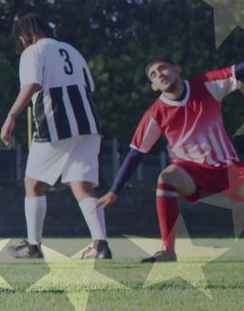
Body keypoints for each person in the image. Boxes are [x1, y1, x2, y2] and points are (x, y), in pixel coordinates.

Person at [97, 58, 244, 262]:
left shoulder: (205, 85)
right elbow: (135, 153)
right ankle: (168, 251)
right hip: (191, 173)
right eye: (154, 75)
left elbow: (238, 71)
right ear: (154, 86)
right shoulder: (156, 113)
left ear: (177, 69)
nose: (160, 74)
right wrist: (114, 191)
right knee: (166, 177)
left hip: (229, 169)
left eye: (163, 68)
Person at [0, 13, 110, 259]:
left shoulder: (33, 52)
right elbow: (88, 86)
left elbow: (32, 85)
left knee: (33, 183)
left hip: (56, 123)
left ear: (25, 33)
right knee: (83, 186)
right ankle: (101, 245)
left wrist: (11, 116)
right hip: (89, 124)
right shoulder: (71, 50)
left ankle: (33, 246)